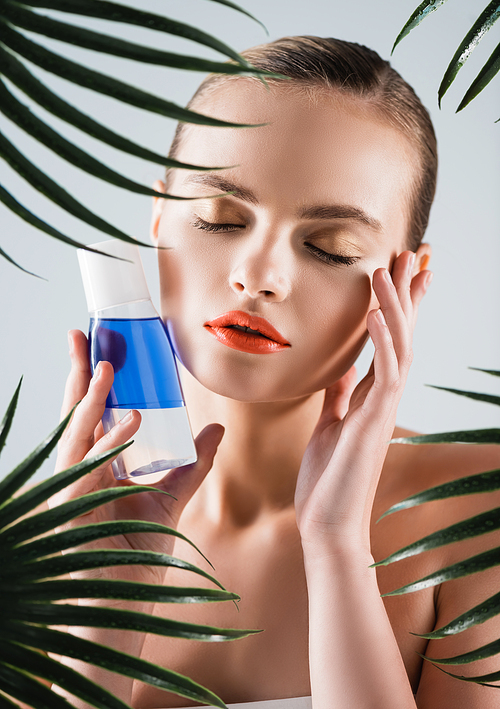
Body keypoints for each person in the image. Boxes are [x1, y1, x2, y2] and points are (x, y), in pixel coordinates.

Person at [53, 37, 500, 708]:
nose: (258, 276)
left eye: (329, 247)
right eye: (220, 218)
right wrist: (103, 598)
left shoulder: (476, 514)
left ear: (410, 278)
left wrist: (338, 549)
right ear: (159, 209)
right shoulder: (42, 533)